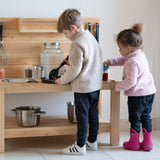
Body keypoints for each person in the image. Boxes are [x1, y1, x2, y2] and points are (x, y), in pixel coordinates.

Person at [55, 8, 103, 155]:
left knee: (82, 117)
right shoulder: (90, 37)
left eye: (65, 33)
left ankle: (80, 146)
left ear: (73, 28)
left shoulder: (76, 43)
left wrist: (61, 80)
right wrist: (72, 66)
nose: (66, 36)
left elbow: (75, 70)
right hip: (95, 85)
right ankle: (92, 142)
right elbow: (89, 62)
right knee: (93, 115)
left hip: (83, 87)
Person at [103, 23, 156, 151]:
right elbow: (122, 60)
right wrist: (110, 61)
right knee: (146, 117)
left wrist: (116, 87)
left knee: (135, 118)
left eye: (120, 48)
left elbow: (130, 82)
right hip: (149, 92)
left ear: (128, 49)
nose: (119, 51)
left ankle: (134, 143)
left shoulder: (132, 61)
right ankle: (148, 143)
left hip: (137, 95)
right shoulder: (138, 55)